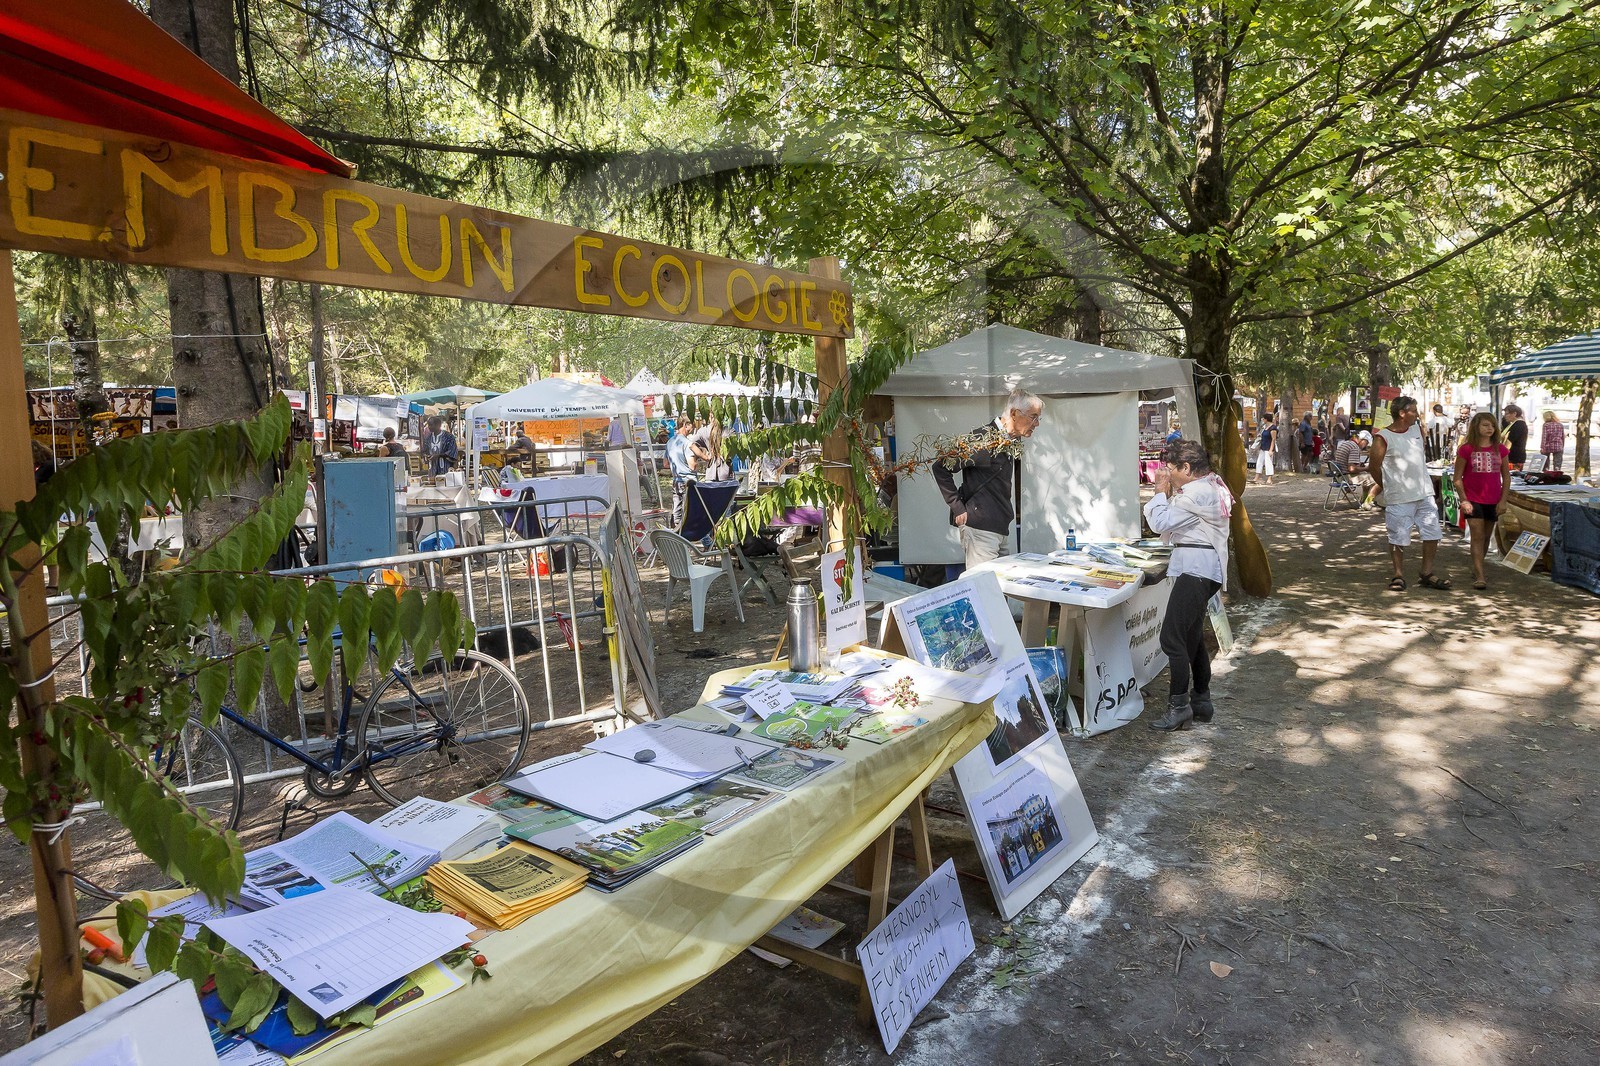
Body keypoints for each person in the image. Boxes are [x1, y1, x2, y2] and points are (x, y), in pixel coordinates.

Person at [1144, 439, 1233, 731]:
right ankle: (1201, 701)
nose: (1168, 474)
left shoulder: (1197, 492)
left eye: (1171, 469)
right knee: (1192, 639)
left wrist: (1159, 492)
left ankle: (1178, 705)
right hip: (1203, 568)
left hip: (1197, 570)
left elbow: (1161, 523)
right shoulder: (1211, 486)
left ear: (1186, 467)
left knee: (1172, 638)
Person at [931, 388, 1044, 570]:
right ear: (1014, 414)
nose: (1036, 423)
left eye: (1038, 418)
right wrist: (957, 507)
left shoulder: (1011, 441)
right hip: (980, 529)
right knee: (985, 590)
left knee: (1000, 591)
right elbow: (941, 467)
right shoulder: (982, 440)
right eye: (1033, 417)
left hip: (999, 528)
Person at [1370, 395, 1452, 592]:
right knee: (1398, 536)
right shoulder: (1383, 437)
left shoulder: (1417, 429)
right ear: (1402, 413)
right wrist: (1388, 486)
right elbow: (1374, 467)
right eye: (1414, 411)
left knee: (1432, 532)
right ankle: (1398, 574)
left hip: (1424, 493)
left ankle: (1426, 572)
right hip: (1399, 497)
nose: (1417, 414)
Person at [1454, 412, 1510, 590]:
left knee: (1486, 537)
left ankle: (1478, 565)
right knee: (1477, 536)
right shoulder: (1466, 449)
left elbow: (1506, 477)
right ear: (1476, 426)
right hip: (1473, 499)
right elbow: (1457, 478)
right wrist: (1464, 500)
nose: (1490, 428)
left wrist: (1503, 500)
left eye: (1492, 425)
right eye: (1485, 425)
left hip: (1493, 499)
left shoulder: (1500, 449)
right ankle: (1480, 575)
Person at [1332, 430, 1377, 506]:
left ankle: (1364, 500)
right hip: (1347, 478)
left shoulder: (1346, 443)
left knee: (1367, 478)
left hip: (1339, 476)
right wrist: (1366, 469)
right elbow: (1352, 469)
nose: (1365, 446)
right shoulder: (1354, 448)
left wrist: (1360, 466)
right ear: (1363, 440)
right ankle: (1368, 502)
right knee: (1376, 480)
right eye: (1366, 443)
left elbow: (1349, 464)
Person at [666, 420, 697, 524]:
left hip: (676, 479)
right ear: (686, 425)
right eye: (692, 426)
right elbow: (692, 466)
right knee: (690, 510)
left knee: (677, 508)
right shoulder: (686, 443)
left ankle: (676, 531)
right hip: (688, 480)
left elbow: (665, 464)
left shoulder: (670, 442)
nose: (693, 429)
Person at [1252, 413, 1278, 485]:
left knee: (1268, 463)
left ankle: (1269, 478)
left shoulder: (1273, 428)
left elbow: (1273, 439)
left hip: (1268, 448)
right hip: (1263, 447)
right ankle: (1257, 477)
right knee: (1259, 462)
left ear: (1266, 419)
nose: (1263, 420)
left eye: (1263, 419)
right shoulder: (1265, 427)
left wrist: (1271, 450)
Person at [1501, 404, 1528, 470]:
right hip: (1513, 456)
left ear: (1514, 413)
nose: (1505, 416)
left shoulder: (1519, 425)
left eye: (1507, 414)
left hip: (1515, 457)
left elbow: (1509, 441)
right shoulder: (1513, 424)